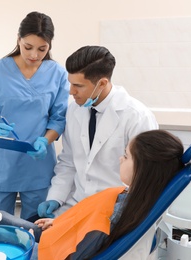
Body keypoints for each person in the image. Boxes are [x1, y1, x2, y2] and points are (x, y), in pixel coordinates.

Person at [0, 130, 184, 259]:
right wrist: (57, 223)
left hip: (49, 250)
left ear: (142, 170)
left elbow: (82, 250)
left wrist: (32, 241)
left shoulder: (121, 212)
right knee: (0, 215)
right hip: (55, 234)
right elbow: (88, 220)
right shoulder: (131, 197)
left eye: (126, 156)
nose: (120, 157)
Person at [37, 45, 158, 218]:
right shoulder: (74, 110)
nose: (71, 92)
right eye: (70, 83)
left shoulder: (137, 117)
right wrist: (55, 197)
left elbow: (146, 180)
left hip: (115, 210)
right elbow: (69, 161)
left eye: (78, 86)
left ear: (102, 83)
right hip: (77, 203)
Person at [0, 11, 69, 220]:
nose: (34, 55)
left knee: (35, 226)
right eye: (28, 47)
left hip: (37, 164)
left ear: (50, 46)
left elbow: (58, 118)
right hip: (1, 163)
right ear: (18, 40)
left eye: (42, 49)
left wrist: (46, 140)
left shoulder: (58, 74)